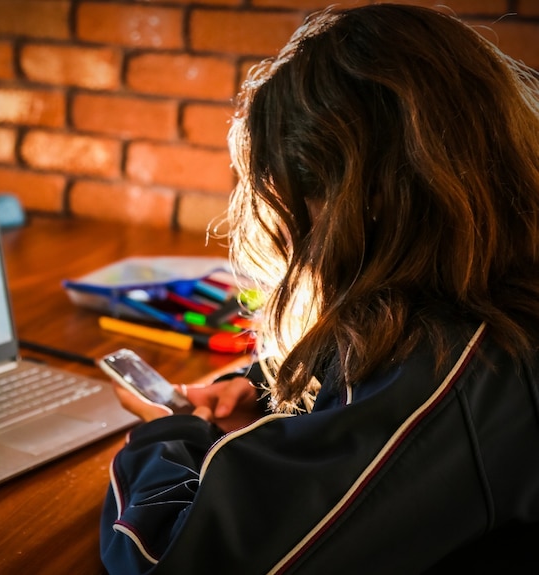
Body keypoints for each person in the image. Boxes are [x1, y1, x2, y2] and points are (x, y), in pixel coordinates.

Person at [100, 4, 539, 574]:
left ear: (354, 203)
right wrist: (263, 389)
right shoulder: (471, 290)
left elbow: (167, 561)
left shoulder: (453, 370)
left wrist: (169, 434)